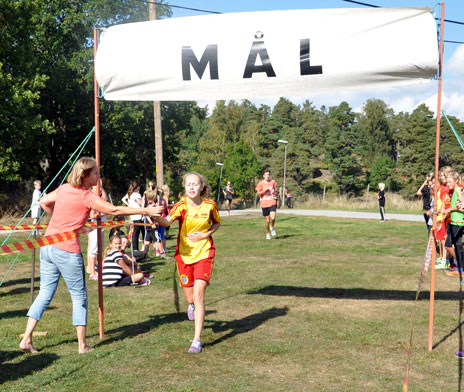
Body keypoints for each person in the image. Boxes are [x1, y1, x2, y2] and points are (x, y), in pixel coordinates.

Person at [19, 157, 162, 354]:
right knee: (79, 297)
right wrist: (145, 209)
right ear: (85, 176)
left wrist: (59, 219)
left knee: (45, 293)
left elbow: (43, 201)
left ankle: (26, 339)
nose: (98, 176)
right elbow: (113, 209)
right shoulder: (86, 196)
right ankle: (82, 345)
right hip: (66, 249)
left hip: (48, 245)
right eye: (95, 173)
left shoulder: (64, 188)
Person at [155, 172, 221, 354]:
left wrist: (206, 234)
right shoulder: (181, 205)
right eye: (188, 184)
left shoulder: (210, 205)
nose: (192, 187)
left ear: (202, 187)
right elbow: (167, 222)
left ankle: (196, 340)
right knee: (191, 297)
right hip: (184, 256)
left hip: (204, 253)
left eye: (195, 184)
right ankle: (190, 305)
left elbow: (216, 223)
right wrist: (154, 216)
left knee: (199, 295)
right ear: (184, 187)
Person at [86, 183, 108, 280]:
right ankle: (92, 272)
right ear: (92, 190)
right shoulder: (92, 200)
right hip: (94, 227)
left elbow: (106, 199)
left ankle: (98, 269)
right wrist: (104, 213)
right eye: (96, 188)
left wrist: (102, 187)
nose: (99, 189)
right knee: (93, 250)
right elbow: (92, 216)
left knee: (99, 249)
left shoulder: (99, 199)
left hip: (100, 227)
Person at [121, 181, 144, 251]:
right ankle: (138, 249)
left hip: (133, 216)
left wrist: (128, 204)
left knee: (135, 234)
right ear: (137, 187)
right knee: (142, 234)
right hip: (139, 216)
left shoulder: (130, 194)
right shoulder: (137, 195)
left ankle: (136, 249)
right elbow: (141, 203)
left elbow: (123, 199)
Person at [255, 169, 278, 240]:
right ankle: (268, 233)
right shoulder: (260, 184)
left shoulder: (273, 182)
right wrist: (264, 190)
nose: (267, 176)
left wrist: (275, 192)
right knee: (267, 220)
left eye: (268, 174)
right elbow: (258, 193)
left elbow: (276, 190)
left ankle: (272, 227)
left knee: (273, 217)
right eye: (266, 174)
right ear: (263, 176)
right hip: (264, 203)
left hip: (272, 201)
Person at [143, 190, 166, 258]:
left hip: (149, 226)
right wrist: (151, 223)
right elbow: (146, 214)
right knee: (158, 240)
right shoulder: (150, 204)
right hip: (152, 225)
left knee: (147, 241)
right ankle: (163, 254)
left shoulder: (148, 204)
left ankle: (145, 255)